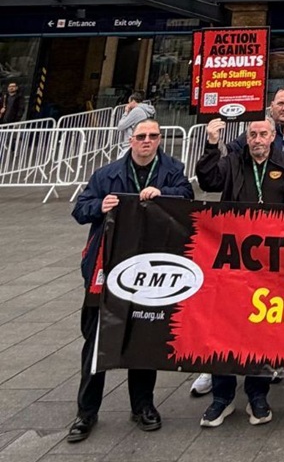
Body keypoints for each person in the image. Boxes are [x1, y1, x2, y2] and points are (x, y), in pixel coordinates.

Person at [68, 119, 193, 442]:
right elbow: (80, 210)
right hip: (107, 268)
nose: (147, 142)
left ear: (160, 139)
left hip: (150, 267)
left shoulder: (172, 170)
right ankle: (86, 412)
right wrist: (100, 205)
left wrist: (164, 193)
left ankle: (143, 406)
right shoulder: (106, 174)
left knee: (144, 338)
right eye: (141, 137)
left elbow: (187, 199)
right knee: (96, 341)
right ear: (130, 140)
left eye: (153, 136)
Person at [195, 118, 284, 428]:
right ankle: (222, 397)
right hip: (233, 261)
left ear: (273, 137)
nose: (257, 139)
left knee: (260, 329)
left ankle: (257, 395)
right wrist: (211, 143)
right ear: (247, 138)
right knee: (225, 328)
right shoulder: (232, 161)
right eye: (253, 134)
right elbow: (208, 180)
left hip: (270, 264)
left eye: (263, 134)